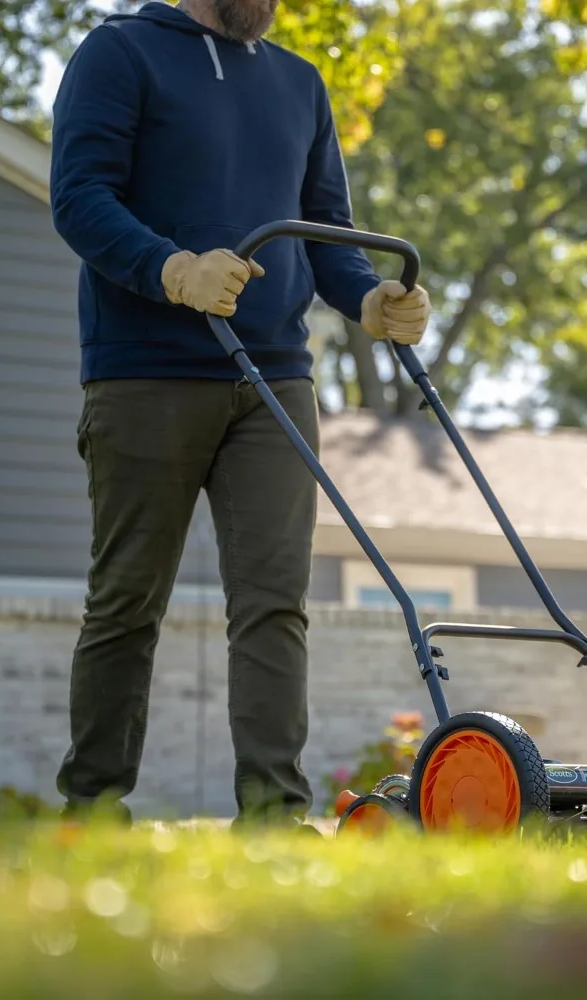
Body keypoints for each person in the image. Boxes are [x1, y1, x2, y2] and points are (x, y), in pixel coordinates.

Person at [48, 0, 431, 828]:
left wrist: (370, 299)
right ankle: (92, 809)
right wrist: (172, 269)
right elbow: (79, 198)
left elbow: (328, 231)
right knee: (126, 601)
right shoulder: (120, 53)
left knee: (272, 602)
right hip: (143, 373)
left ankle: (273, 815)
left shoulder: (299, 82)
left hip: (275, 379)